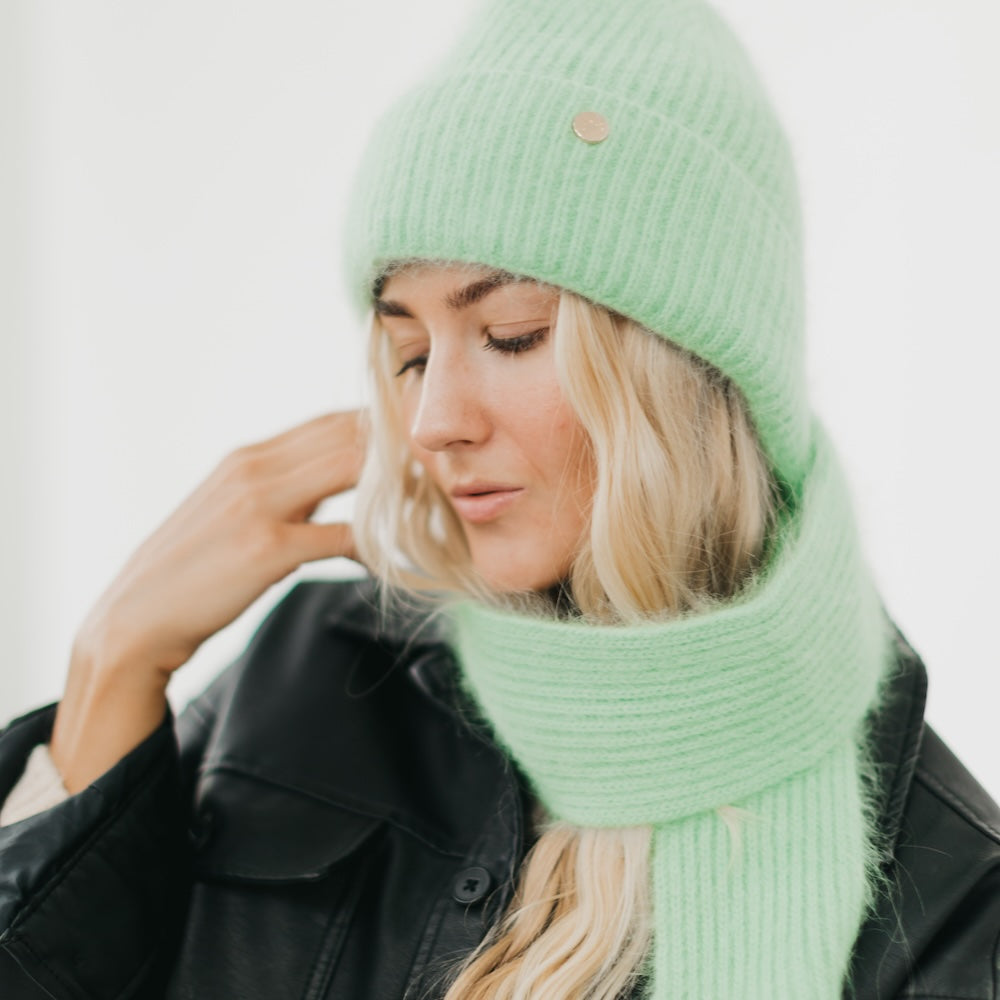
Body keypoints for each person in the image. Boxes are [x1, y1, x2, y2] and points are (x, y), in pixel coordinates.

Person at [1, 0, 998, 997]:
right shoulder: (316, 672)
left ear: (689, 368)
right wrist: (116, 659)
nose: (432, 419)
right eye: (408, 351)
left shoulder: (947, 892)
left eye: (512, 332)